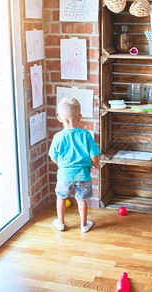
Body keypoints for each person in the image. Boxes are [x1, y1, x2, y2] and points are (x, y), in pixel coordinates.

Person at [48, 97, 100, 233]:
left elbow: (53, 156)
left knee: (61, 197)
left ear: (59, 118)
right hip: (83, 174)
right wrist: (96, 165)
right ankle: (83, 225)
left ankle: (60, 223)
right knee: (81, 199)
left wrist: (61, 165)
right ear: (80, 117)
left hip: (64, 174)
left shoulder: (58, 137)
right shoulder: (86, 135)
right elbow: (94, 156)